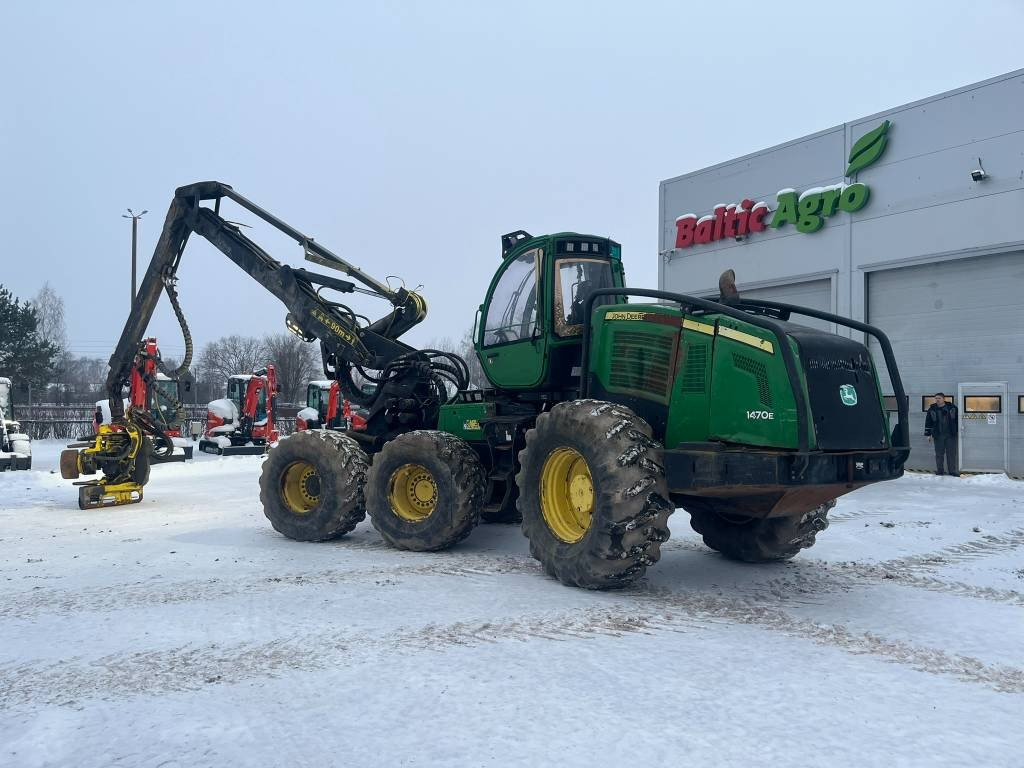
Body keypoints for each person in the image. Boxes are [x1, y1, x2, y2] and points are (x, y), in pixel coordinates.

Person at [924, 393, 959, 476]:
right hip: (938, 435)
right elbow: (928, 422)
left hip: (951, 435)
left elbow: (957, 420)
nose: (937, 400)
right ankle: (940, 471)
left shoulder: (952, 408)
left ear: (944, 398)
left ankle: (952, 471)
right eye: (936, 398)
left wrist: (957, 430)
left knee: (951, 454)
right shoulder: (932, 409)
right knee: (939, 454)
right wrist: (928, 435)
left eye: (939, 398)